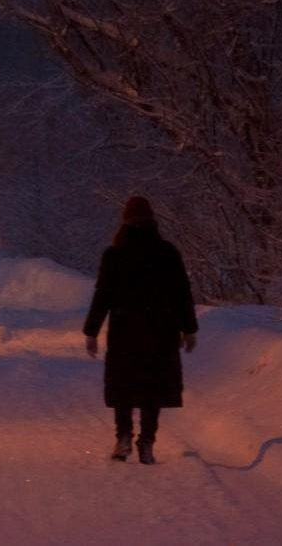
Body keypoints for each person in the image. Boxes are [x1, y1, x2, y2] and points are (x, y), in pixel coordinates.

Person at [83, 195, 199, 465]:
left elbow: (103, 295)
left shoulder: (114, 254)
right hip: (161, 331)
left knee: (123, 386)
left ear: (125, 221)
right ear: (152, 219)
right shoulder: (167, 252)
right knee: (153, 388)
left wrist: (91, 331)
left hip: (125, 331)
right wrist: (188, 329)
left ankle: (123, 438)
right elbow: (181, 293)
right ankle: (147, 441)